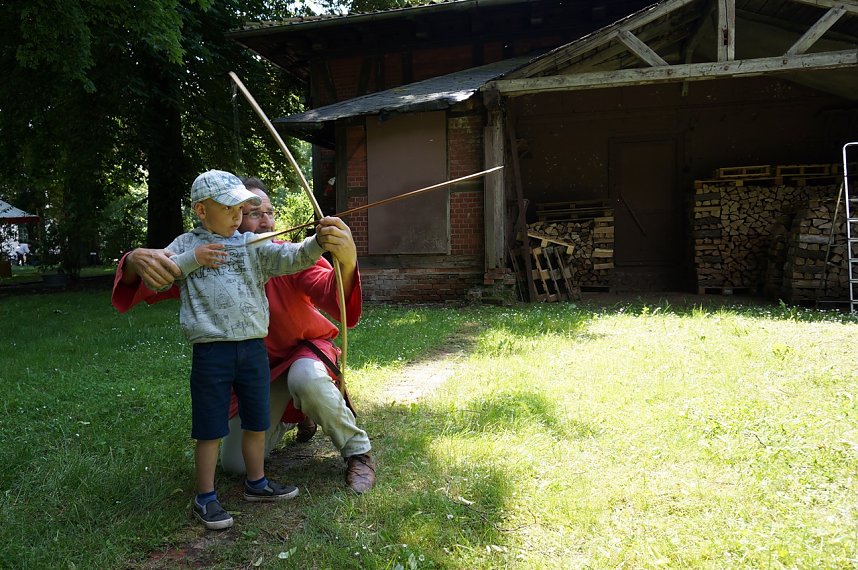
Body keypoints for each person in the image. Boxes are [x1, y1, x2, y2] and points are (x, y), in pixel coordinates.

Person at [111, 176, 375, 498]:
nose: (264, 220)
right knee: (235, 464)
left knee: (305, 377)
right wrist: (134, 261)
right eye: (252, 212)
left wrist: (345, 260)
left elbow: (332, 292)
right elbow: (157, 275)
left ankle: (357, 451)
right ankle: (297, 414)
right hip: (254, 369)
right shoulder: (206, 256)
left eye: (269, 212)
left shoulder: (275, 254)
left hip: (302, 356)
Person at [136, 169, 338, 531]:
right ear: (201, 210)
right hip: (212, 354)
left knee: (257, 419)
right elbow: (162, 274)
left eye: (240, 208)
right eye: (228, 208)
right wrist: (193, 258)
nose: (237, 216)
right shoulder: (184, 245)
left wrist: (318, 243)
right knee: (210, 428)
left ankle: (257, 483)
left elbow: (291, 257)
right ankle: (205, 497)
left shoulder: (250, 246)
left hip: (252, 350)